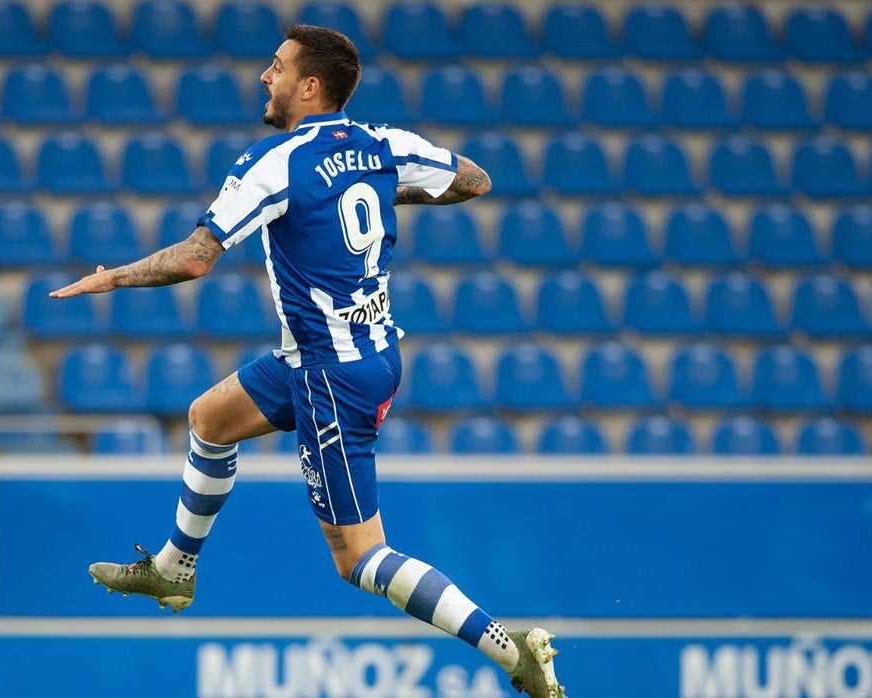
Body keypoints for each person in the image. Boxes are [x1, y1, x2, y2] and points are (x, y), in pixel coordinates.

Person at [49, 24, 565, 697]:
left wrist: (112, 278)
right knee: (209, 417)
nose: (267, 77)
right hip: (357, 353)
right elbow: (473, 179)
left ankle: (509, 648)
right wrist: (377, 188)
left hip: (330, 375)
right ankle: (174, 566)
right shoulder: (384, 145)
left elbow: (198, 255)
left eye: (278, 67)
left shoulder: (277, 162)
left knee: (360, 558)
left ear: (310, 86)